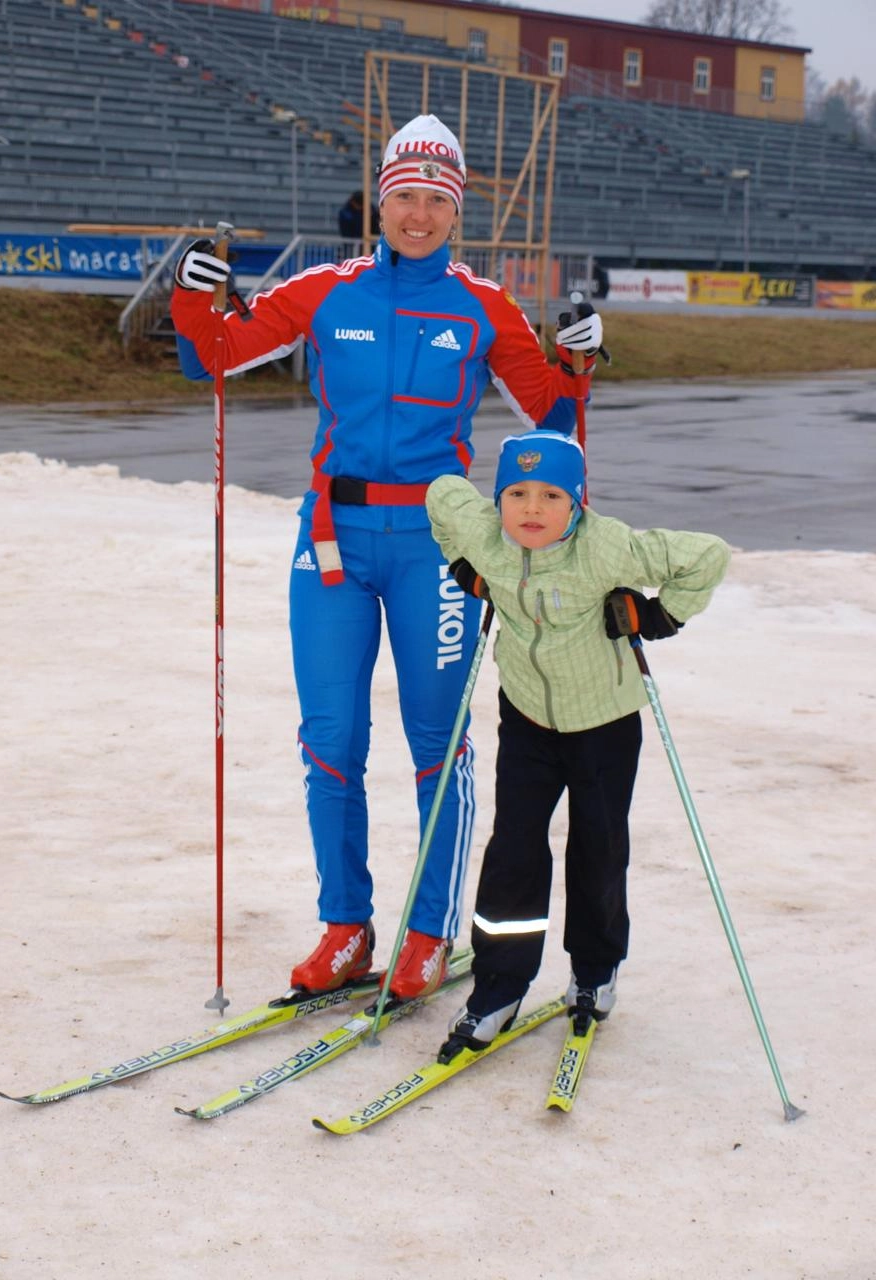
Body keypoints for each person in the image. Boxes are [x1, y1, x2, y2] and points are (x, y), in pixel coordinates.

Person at [169, 114, 604, 1001]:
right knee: (329, 741)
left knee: (436, 747)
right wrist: (192, 292)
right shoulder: (327, 289)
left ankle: (429, 931)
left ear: (455, 211)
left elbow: (550, 413)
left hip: (436, 547)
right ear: (381, 200)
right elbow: (210, 356)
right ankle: (344, 927)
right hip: (330, 540)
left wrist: (577, 360)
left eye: (434, 202)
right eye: (403, 196)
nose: (416, 214)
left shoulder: (484, 306)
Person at [425, 432, 729, 1057]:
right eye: (516, 493)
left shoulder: (608, 547)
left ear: (578, 503)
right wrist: (466, 569)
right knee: (514, 848)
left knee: (598, 844)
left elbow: (707, 555)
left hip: (604, 726)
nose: (531, 509)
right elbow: (442, 495)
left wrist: (657, 615)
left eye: (551, 496)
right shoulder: (487, 534)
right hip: (528, 720)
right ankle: (499, 985)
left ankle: (594, 971)